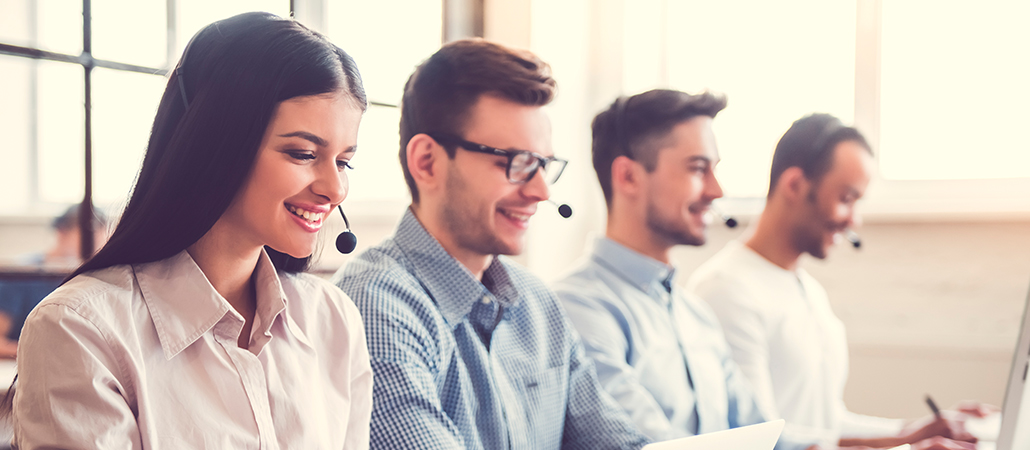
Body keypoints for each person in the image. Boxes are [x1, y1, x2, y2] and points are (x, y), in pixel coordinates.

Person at [12, 12, 372, 448]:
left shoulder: (333, 321)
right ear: (217, 143)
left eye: (344, 162)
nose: (334, 188)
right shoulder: (79, 330)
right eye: (301, 153)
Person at [332, 39, 650, 449]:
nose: (539, 191)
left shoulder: (539, 305)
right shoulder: (374, 307)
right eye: (515, 162)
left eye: (544, 165)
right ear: (427, 161)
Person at [686, 113, 981, 449]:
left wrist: (913, 431)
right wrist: (906, 447)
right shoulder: (725, 290)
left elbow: (825, 422)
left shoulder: (809, 290)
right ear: (795, 185)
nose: (853, 219)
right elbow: (766, 441)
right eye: (845, 199)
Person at [553, 89, 812, 450]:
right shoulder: (576, 310)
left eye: (715, 170)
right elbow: (650, 445)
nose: (716, 190)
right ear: (628, 176)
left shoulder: (696, 316)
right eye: (697, 169)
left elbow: (764, 435)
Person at [0, 205, 110, 359]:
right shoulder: (22, 274)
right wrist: (46, 355)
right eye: (88, 243)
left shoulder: (94, 279)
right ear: (62, 232)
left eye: (99, 247)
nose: (93, 253)